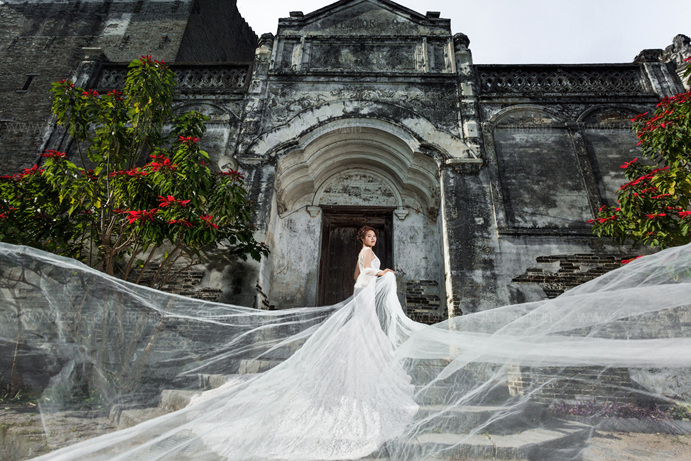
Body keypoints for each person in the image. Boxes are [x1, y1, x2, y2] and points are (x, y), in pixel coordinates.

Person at [0, 238, 690, 460]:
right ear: (363, 241)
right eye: (368, 240)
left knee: (370, 349)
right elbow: (366, 279)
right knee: (363, 345)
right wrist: (381, 276)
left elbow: (374, 274)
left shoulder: (371, 251)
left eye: (372, 241)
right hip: (365, 305)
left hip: (370, 306)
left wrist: (385, 277)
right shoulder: (363, 259)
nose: (370, 244)